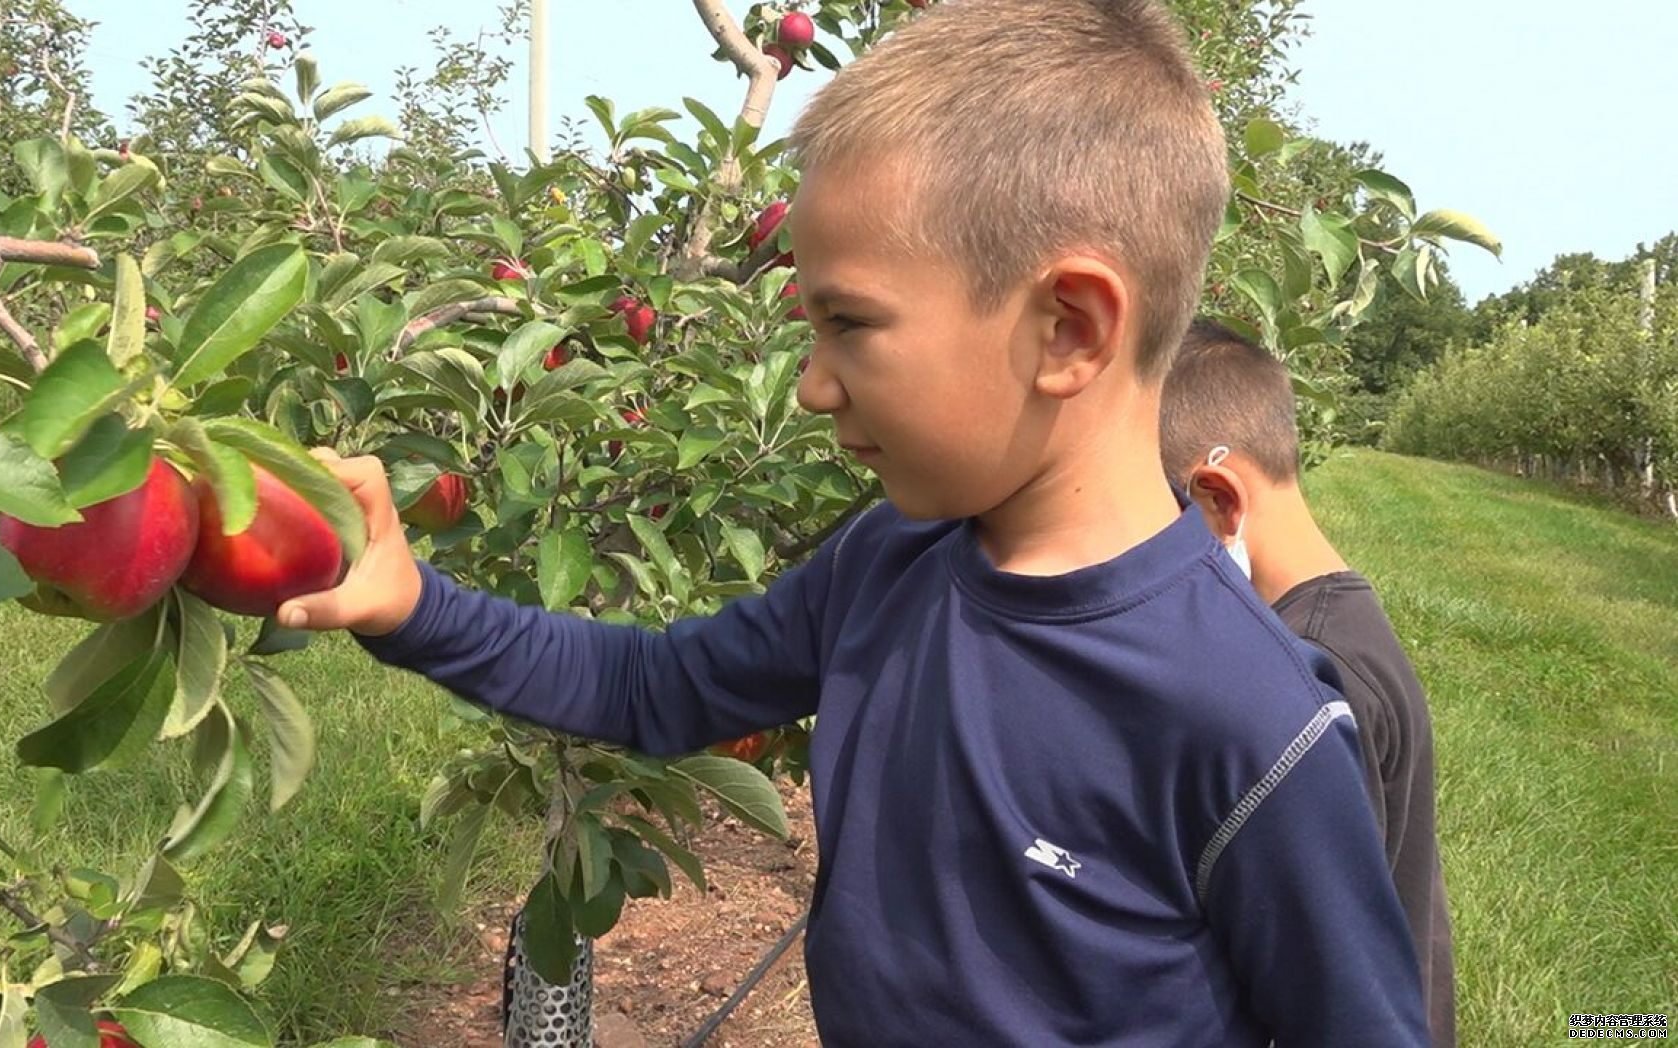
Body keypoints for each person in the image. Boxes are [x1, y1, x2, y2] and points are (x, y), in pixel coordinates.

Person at [279, 1, 1428, 1043]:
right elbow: (652, 689)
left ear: (1067, 329)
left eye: (849, 325)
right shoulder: (890, 562)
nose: (815, 383)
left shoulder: (1248, 720)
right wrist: (415, 603)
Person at [1160, 316, 1457, 1046]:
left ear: (1219, 500)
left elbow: (1314, 967)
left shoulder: (1307, 681)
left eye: (1149, 519)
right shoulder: (1337, 624)